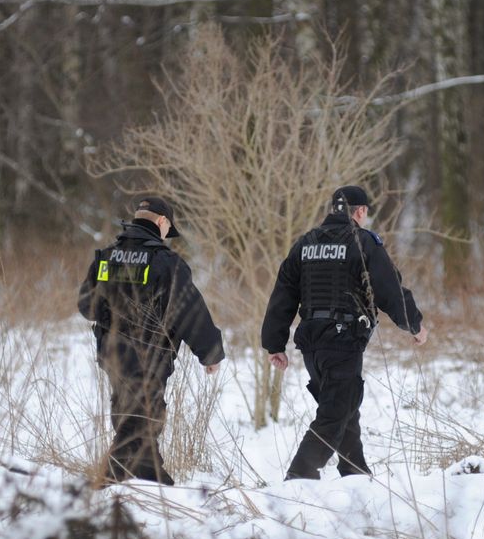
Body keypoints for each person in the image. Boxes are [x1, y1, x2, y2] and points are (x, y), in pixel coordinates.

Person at [262, 185, 427, 481]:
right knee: (335, 413)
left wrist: (274, 343)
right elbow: (390, 289)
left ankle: (356, 474)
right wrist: (414, 325)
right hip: (343, 340)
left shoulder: (305, 243)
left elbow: (283, 294)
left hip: (311, 344)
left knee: (345, 407)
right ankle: (299, 476)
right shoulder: (362, 242)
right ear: (360, 211)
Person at [77, 197, 224, 485]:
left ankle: (154, 480)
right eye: (168, 228)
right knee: (141, 419)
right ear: (161, 222)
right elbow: (189, 311)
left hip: (111, 352)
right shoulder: (167, 263)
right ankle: (106, 481)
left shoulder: (107, 256)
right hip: (149, 354)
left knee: (132, 414)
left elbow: (86, 306)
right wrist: (211, 353)